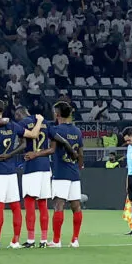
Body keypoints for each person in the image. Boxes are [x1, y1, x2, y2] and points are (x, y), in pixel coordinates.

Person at [0, 100, 42, 248]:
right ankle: (15, 241)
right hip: (11, 171)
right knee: (16, 206)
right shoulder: (13, 125)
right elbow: (34, 134)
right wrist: (40, 120)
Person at [46, 102, 84, 247]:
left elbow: (52, 145)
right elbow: (81, 153)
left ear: (57, 114)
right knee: (76, 205)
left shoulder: (56, 129)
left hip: (61, 172)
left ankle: (56, 240)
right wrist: (79, 167)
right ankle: (75, 240)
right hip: (74, 172)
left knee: (58, 205)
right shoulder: (77, 131)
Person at [19, 107, 54, 248]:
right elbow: (53, 145)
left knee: (29, 203)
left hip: (31, 166)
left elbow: (23, 144)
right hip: (45, 166)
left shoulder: (23, 123)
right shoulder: (46, 123)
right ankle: (44, 240)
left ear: (19, 113)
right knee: (43, 204)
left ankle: (31, 239)